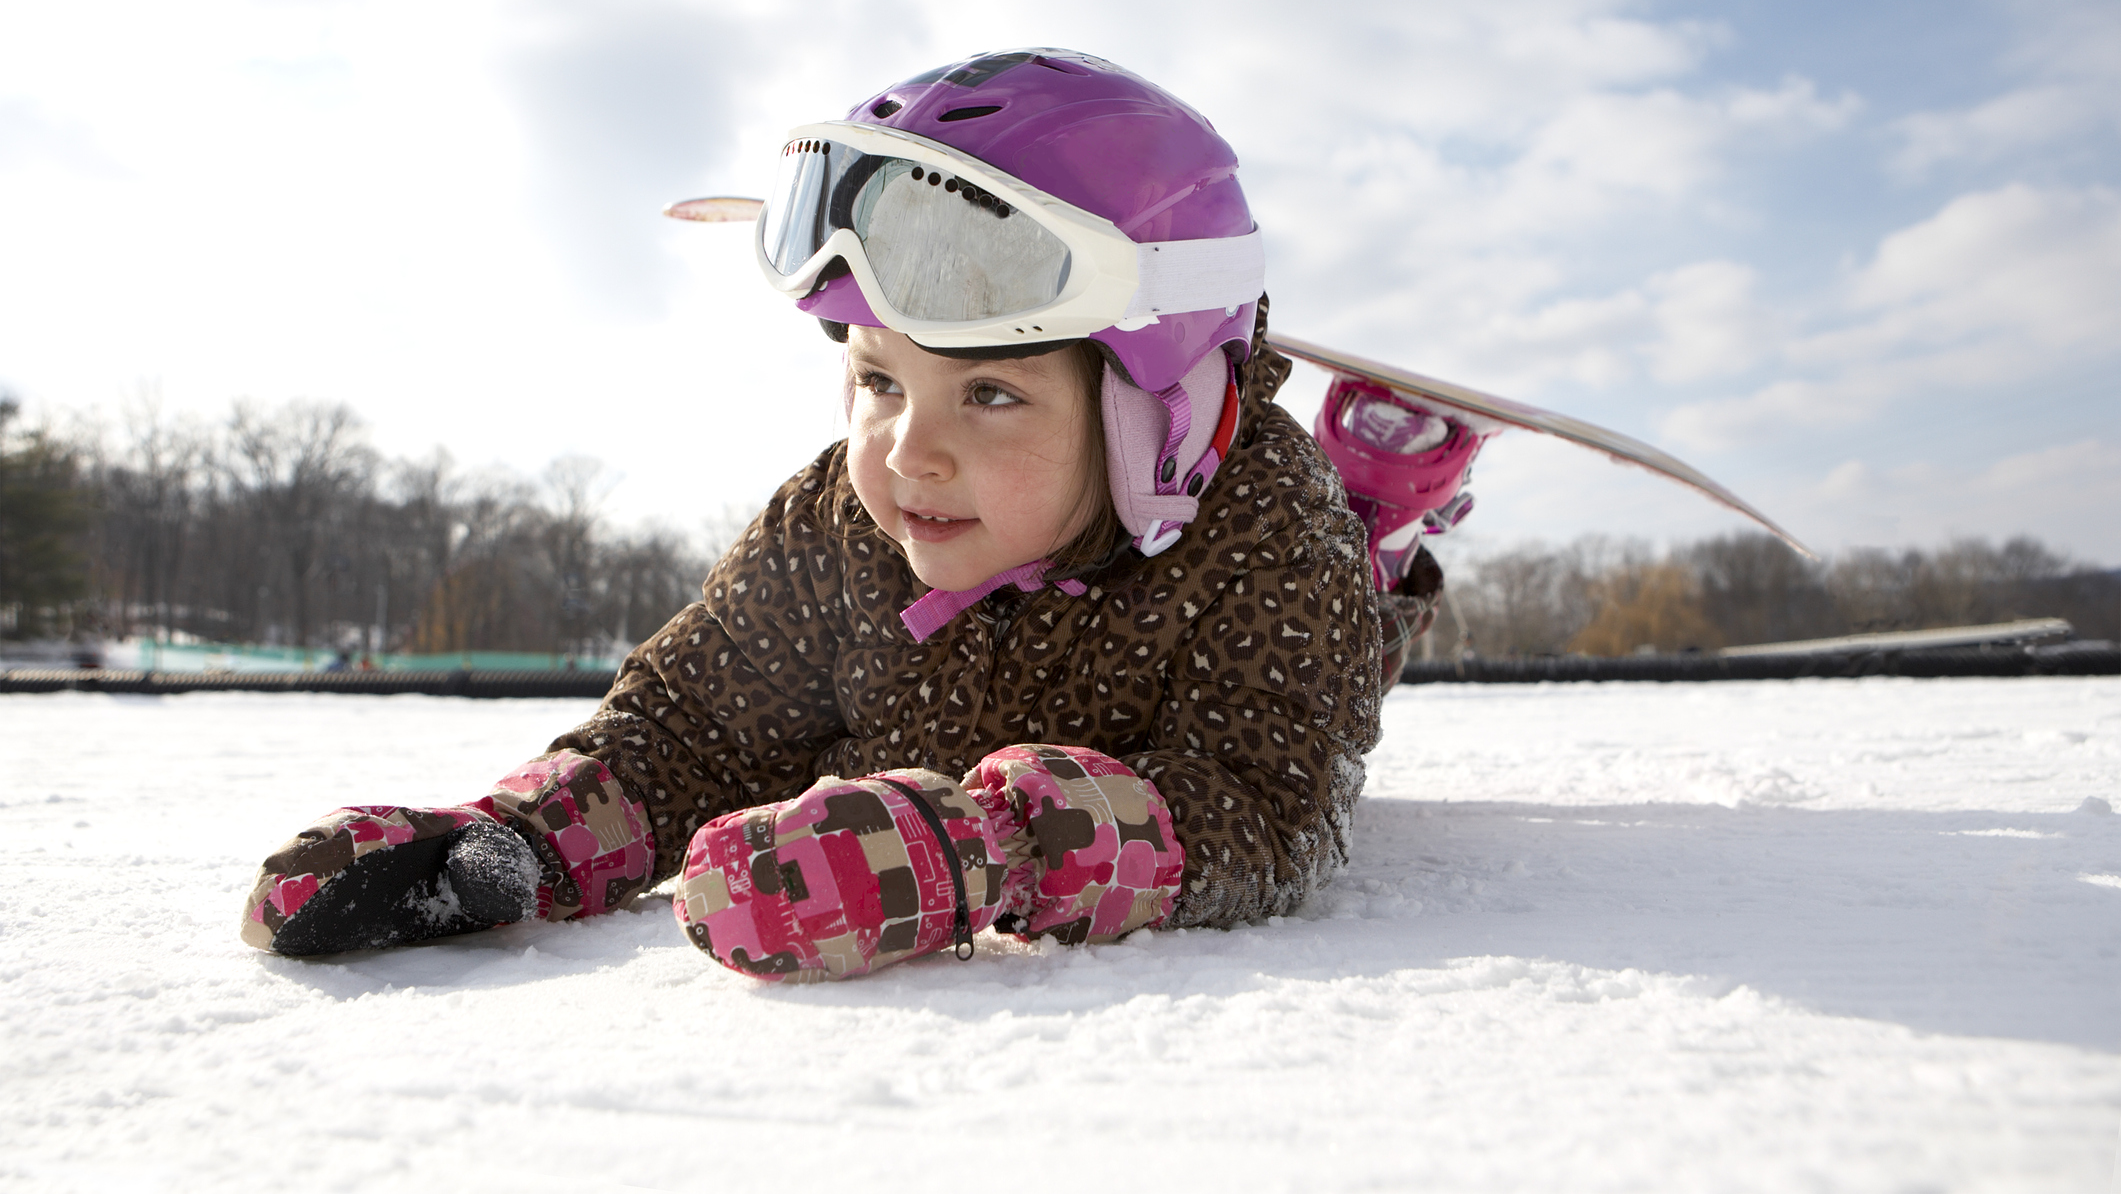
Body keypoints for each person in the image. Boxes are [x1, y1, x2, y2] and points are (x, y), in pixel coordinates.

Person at [240, 49, 1471, 980]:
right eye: (879, 381)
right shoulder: (840, 522)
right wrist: (519, 841)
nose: (905, 452)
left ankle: (1389, 509)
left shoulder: (1265, 525)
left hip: (1314, 617)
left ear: (1161, 422)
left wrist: (980, 849)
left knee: (1360, 612)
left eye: (989, 393)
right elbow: (693, 725)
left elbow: (1263, 802)